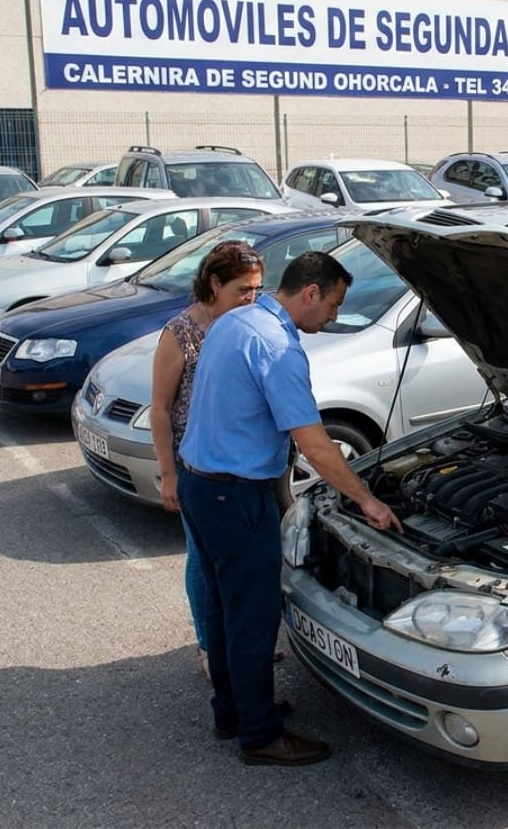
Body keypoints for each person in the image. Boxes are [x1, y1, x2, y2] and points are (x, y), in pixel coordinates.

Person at [177, 250, 401, 767]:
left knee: (221, 608)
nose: (334, 317)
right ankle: (260, 735)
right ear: (309, 293)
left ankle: (231, 711)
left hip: (199, 485)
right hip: (235, 497)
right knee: (253, 615)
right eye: (333, 305)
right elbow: (317, 445)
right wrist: (365, 498)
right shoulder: (278, 347)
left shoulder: (235, 321)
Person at [147, 241, 266, 680]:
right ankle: (209, 646)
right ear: (213, 284)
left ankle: (241, 645)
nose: (252, 297)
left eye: (257, 288)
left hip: (242, 466)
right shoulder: (180, 334)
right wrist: (168, 474)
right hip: (197, 468)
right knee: (204, 558)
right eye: (242, 289)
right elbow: (160, 408)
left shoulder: (246, 322)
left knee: (242, 561)